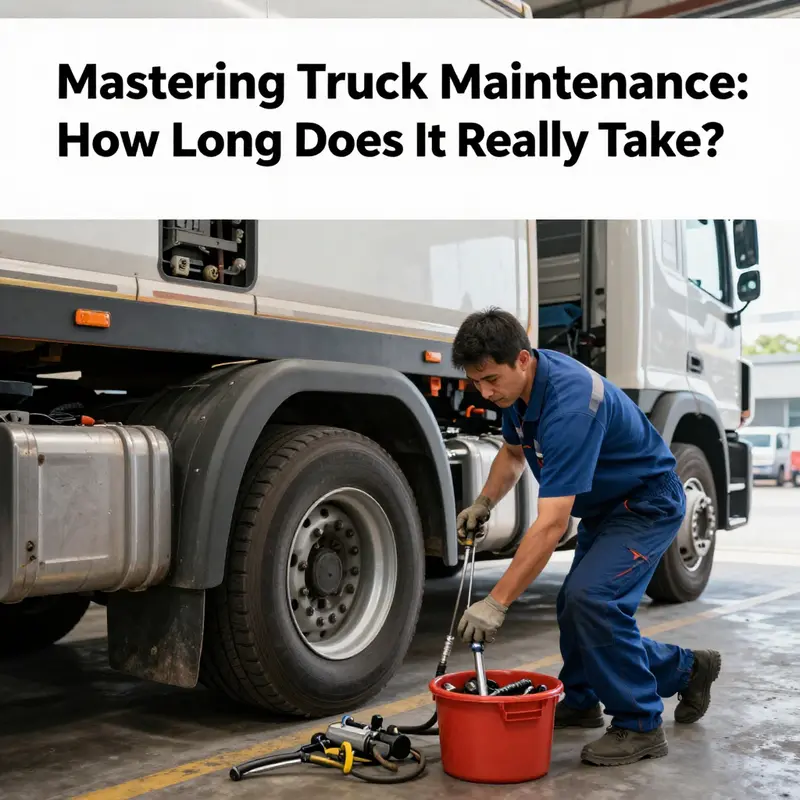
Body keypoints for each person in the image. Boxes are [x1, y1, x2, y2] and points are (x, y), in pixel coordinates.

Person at [451, 307, 721, 767]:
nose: (485, 391)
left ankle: (640, 723)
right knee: (574, 605)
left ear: (521, 358)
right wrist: (483, 503)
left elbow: (553, 523)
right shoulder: (516, 393)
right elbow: (514, 454)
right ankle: (584, 699)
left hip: (646, 504)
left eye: (491, 379)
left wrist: (496, 602)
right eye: (476, 383)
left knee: (592, 600)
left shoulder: (570, 404)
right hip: (608, 508)